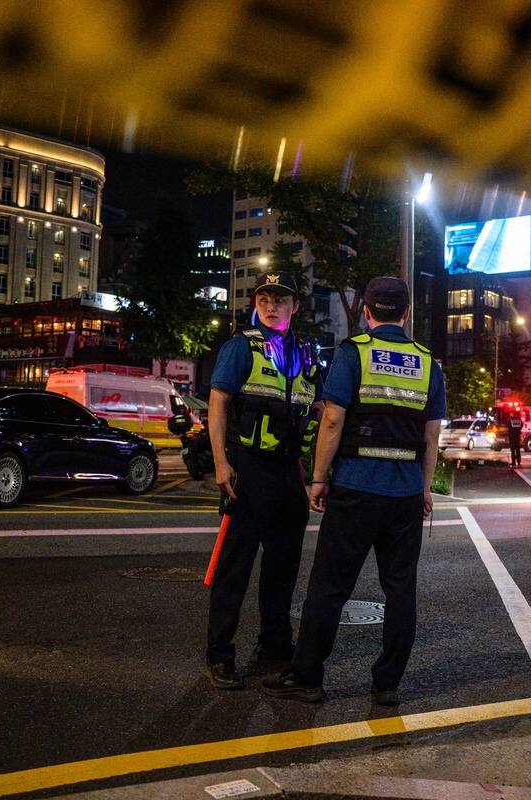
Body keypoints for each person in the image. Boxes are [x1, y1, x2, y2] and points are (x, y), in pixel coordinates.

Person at [262, 276, 445, 706]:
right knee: (400, 589)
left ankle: (307, 676)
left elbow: (331, 421)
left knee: (329, 586)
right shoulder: (427, 363)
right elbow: (432, 437)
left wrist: (319, 476)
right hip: (403, 494)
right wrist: (424, 489)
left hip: (355, 487)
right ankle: (387, 684)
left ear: (365, 312)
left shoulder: (353, 354)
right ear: (406, 313)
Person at [204, 270, 318, 690]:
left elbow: (322, 410)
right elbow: (217, 405)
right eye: (265, 298)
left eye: (281, 300)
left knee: (283, 568)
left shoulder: (307, 354)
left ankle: (274, 649)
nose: (272, 306)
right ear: (256, 303)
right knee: (235, 567)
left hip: (289, 473)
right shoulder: (240, 348)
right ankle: (220, 656)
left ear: (295, 307)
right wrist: (220, 463)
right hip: (247, 469)